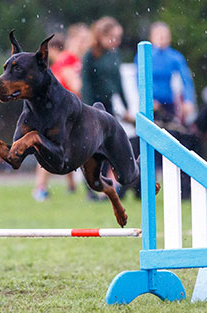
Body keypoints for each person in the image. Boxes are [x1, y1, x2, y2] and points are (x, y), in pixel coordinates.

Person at [32, 24, 91, 202]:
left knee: (66, 149)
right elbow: (75, 86)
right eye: (82, 40)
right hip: (57, 113)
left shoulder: (75, 60)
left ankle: (71, 187)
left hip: (64, 112)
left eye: (86, 40)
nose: (85, 44)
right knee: (49, 150)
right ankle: (39, 189)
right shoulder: (69, 60)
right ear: (72, 40)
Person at [81, 17, 128, 201]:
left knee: (110, 146)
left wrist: (126, 107)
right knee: (93, 148)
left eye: (119, 37)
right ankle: (90, 189)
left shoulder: (115, 55)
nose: (116, 41)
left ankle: (109, 185)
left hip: (108, 106)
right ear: (101, 35)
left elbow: (119, 83)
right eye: (113, 37)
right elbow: (86, 85)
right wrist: (90, 110)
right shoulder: (90, 56)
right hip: (93, 107)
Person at [141, 22, 196, 127]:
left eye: (165, 36)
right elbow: (139, 81)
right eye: (158, 35)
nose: (162, 38)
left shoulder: (175, 57)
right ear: (151, 37)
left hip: (168, 102)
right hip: (149, 104)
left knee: (172, 133)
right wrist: (148, 100)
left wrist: (188, 100)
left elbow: (186, 80)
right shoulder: (145, 55)